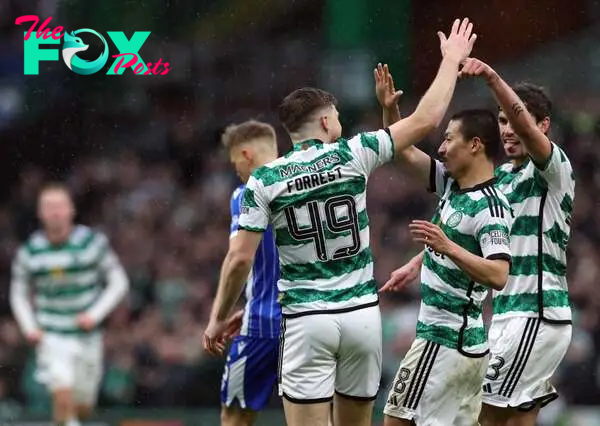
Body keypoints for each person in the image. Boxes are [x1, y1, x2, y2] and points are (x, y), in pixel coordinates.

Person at [203, 18, 477, 426]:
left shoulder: (265, 179)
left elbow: (239, 260)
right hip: (361, 317)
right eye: (336, 117)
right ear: (327, 123)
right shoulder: (354, 153)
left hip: (306, 320)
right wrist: (451, 60)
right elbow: (426, 119)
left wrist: (218, 316)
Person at [375, 64, 513, 425]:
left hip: (445, 340)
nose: (441, 146)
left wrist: (447, 246)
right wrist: (390, 111)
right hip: (453, 342)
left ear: (475, 145)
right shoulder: (453, 184)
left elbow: (499, 275)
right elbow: (403, 154)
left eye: (449, 138)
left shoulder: (492, 208)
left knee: (395, 421)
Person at [458, 58, 574, 426]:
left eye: (513, 121)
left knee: (482, 415)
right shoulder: (501, 179)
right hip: (510, 316)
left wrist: (492, 77)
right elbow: (440, 179)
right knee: (517, 421)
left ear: (543, 126)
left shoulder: (554, 169)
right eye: (501, 122)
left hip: (535, 315)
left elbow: (524, 125)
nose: (507, 130)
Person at [10, 183, 129, 426]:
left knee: (82, 406)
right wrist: (29, 327)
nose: (55, 212)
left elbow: (119, 282)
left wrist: (94, 315)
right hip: (52, 334)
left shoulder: (92, 244)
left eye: (60, 206)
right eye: (49, 207)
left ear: (71, 210)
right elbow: (18, 293)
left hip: (87, 335)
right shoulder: (30, 251)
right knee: (62, 393)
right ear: (40, 213)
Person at [206, 120, 282, 426]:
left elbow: (239, 260)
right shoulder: (307, 184)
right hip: (310, 321)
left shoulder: (247, 192)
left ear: (247, 154)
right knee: (312, 414)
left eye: (235, 161)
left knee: (235, 415)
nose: (235, 169)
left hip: (263, 324)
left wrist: (218, 318)